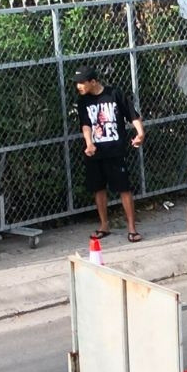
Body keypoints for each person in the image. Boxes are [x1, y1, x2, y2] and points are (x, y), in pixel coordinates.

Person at [74, 65, 145, 241]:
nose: (79, 86)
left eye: (82, 83)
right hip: (95, 152)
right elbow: (85, 124)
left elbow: (132, 115)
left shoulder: (114, 94)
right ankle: (104, 225)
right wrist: (89, 143)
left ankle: (132, 228)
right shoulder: (83, 101)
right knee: (98, 188)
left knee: (124, 188)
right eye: (77, 83)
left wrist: (140, 133)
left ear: (93, 81)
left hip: (115, 150)